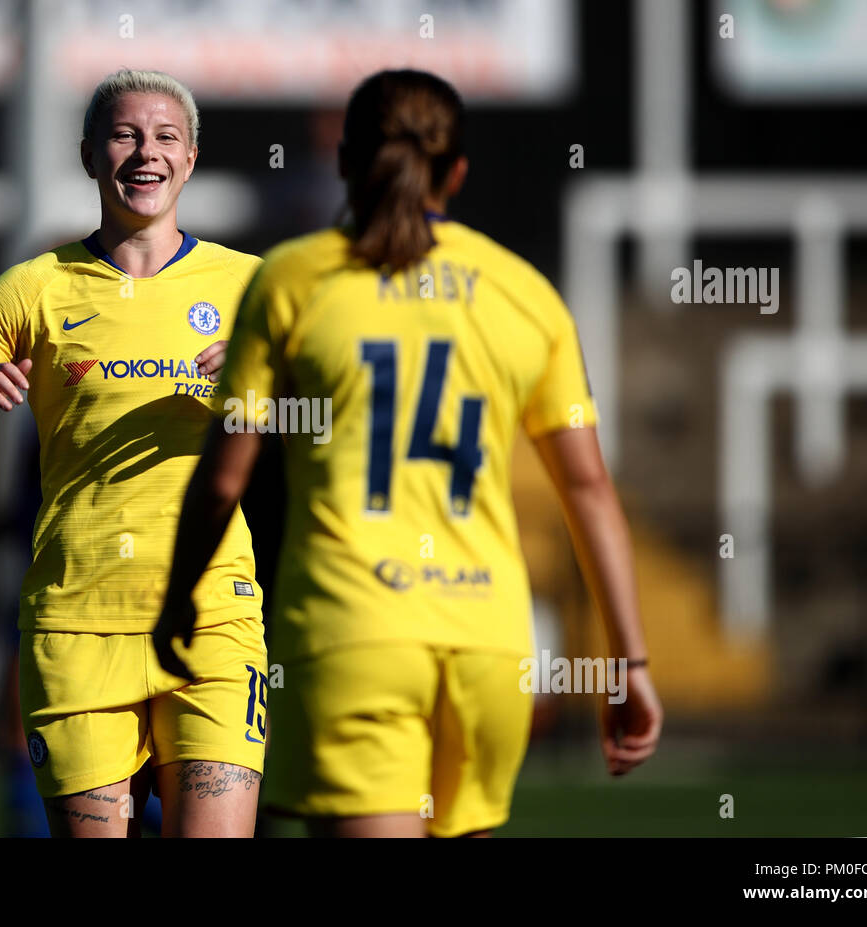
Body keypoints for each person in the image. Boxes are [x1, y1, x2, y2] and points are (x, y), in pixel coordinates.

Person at [154, 69, 662, 838]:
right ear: (457, 171)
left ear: (348, 163)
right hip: (488, 643)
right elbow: (589, 488)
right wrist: (629, 662)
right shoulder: (525, 293)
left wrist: (177, 598)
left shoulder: (294, 280)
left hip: (352, 630)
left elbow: (224, 479)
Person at [0, 69, 267, 837]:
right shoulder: (34, 287)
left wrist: (263, 385)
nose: (145, 153)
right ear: (91, 154)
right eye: (125, 135)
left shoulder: (253, 287)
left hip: (213, 618)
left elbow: (327, 424)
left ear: (190, 159)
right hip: (75, 623)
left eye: (165, 137)